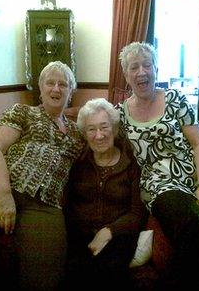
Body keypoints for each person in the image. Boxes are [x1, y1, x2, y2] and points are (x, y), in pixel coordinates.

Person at [115, 41, 199, 290]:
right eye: (134, 67)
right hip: (160, 184)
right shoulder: (121, 114)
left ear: (156, 68)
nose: (142, 72)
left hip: (193, 175)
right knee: (190, 223)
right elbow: (94, 129)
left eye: (147, 65)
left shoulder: (175, 99)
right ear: (126, 75)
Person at [0, 61, 85, 291]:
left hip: (45, 205)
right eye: (50, 83)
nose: (56, 89)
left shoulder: (78, 133)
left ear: (70, 92)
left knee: (47, 278)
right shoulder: (23, 112)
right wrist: (3, 196)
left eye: (63, 84)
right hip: (3, 187)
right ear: (40, 89)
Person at [63, 98, 148, 290]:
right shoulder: (78, 162)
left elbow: (137, 213)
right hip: (81, 234)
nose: (99, 135)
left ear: (115, 129)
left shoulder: (131, 164)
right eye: (91, 129)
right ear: (84, 134)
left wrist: (108, 231)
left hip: (119, 235)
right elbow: (68, 205)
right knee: (75, 273)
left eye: (104, 127)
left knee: (109, 272)